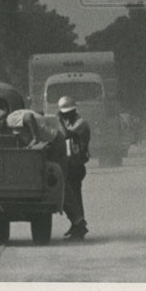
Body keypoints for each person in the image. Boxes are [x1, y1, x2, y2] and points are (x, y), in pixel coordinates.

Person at [0, 107, 83, 237]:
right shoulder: (14, 124)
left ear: (0, 120)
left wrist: (35, 138)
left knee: (60, 183)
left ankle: (78, 222)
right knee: (59, 183)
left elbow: (29, 117)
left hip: (54, 142)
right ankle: (77, 222)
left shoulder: (11, 119)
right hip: (53, 141)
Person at [57, 96, 91, 240]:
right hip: (68, 164)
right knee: (71, 196)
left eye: (67, 113)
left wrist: (58, 121)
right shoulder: (69, 122)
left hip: (76, 165)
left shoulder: (81, 123)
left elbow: (66, 134)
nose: (65, 115)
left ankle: (80, 226)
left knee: (74, 196)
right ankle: (76, 224)